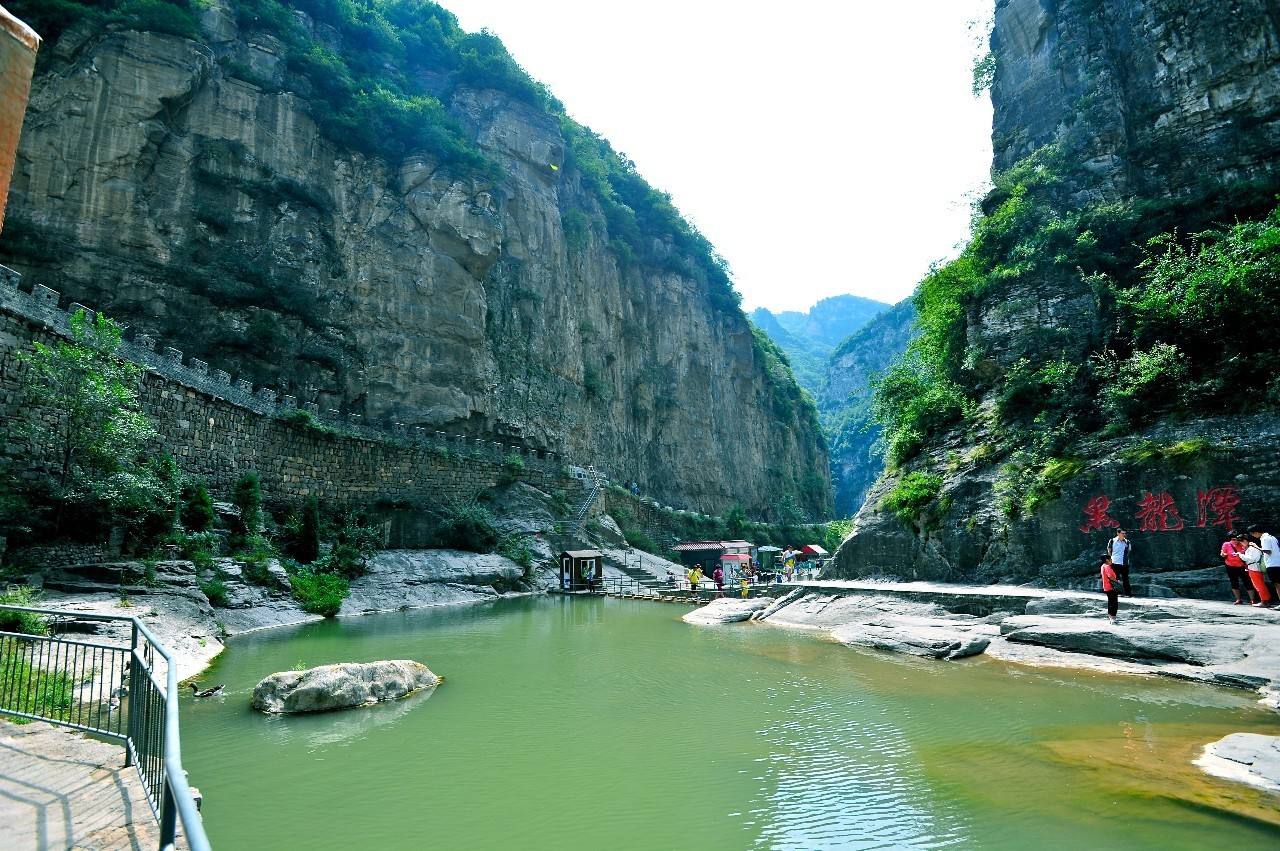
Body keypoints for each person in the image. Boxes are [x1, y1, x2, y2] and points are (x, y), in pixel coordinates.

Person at [1250, 525, 1280, 603]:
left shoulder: (1264, 538)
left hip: (1272, 564)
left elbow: (1268, 551)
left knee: (1277, 584)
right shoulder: (1272, 537)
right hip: (1277, 562)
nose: (1253, 536)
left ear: (1256, 532)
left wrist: (1256, 547)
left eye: (1253, 534)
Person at [1241, 535, 1273, 607]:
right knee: (1260, 585)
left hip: (1254, 568)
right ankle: (1265, 600)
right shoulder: (1251, 548)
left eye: (1243, 541)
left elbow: (1251, 559)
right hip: (1254, 568)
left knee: (1259, 585)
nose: (1241, 543)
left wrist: (1240, 555)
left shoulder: (1252, 548)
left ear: (1247, 540)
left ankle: (1264, 601)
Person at [1221, 531, 1251, 605]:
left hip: (1242, 566)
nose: (1235, 541)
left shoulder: (1242, 544)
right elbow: (1223, 553)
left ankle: (1252, 599)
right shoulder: (1226, 544)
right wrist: (1223, 554)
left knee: (1247, 582)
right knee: (1234, 582)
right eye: (1233, 539)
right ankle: (1238, 599)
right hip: (1230, 566)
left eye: (1236, 539)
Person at [1106, 529, 1133, 596]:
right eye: (1122, 533)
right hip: (1115, 562)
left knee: (1125, 579)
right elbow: (1109, 551)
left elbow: (1129, 551)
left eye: (1125, 533)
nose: (1124, 535)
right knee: (1115, 578)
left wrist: (1125, 558)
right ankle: (1117, 592)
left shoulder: (1127, 542)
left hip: (1124, 563)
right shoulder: (1112, 541)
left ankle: (1128, 593)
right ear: (1118, 533)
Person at [1100, 555, 1120, 624]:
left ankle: (1110, 617)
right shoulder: (1107, 566)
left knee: (1110, 602)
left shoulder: (1102, 566)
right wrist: (1117, 582)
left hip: (1106, 587)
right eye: (1110, 559)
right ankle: (1113, 618)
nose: (1111, 560)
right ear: (1107, 560)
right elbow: (1110, 576)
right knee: (1114, 603)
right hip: (1111, 587)